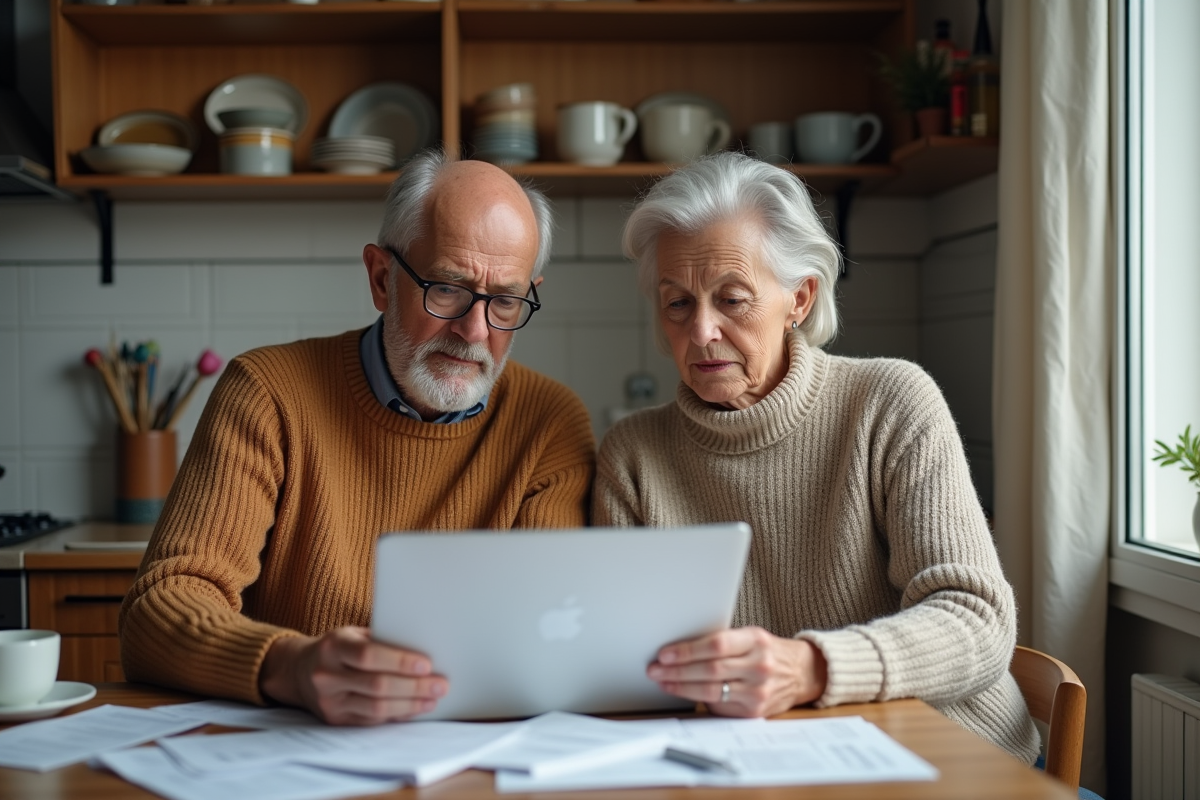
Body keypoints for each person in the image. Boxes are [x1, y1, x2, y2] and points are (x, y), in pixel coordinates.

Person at [120, 150, 596, 725]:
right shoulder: (267, 394)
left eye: (504, 301)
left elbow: (550, 631)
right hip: (291, 749)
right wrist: (290, 666)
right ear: (380, 277)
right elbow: (158, 611)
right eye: (447, 288)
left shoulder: (549, 422)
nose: (475, 331)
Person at [593, 151, 1040, 764]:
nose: (700, 331)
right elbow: (623, 657)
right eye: (677, 303)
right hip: (766, 761)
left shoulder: (889, 403)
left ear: (799, 299)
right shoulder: (633, 453)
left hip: (949, 751)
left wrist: (811, 668)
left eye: (732, 298)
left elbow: (978, 620)